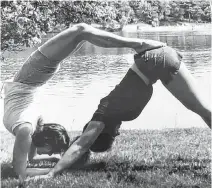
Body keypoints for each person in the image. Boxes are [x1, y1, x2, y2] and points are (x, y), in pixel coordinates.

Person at [2, 23, 165, 181]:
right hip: (32, 80)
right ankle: (139, 44)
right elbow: (24, 165)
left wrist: (42, 168)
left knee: (81, 30)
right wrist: (53, 165)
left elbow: (19, 169)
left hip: (30, 79)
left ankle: (139, 44)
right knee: (80, 32)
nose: (42, 154)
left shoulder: (26, 127)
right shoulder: (29, 126)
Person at [31, 44, 211, 179]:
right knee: (201, 108)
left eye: (112, 136)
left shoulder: (103, 114)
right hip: (157, 62)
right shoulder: (113, 113)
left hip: (157, 61)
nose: (117, 133)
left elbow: (81, 145)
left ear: (104, 132)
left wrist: (52, 174)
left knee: (202, 109)